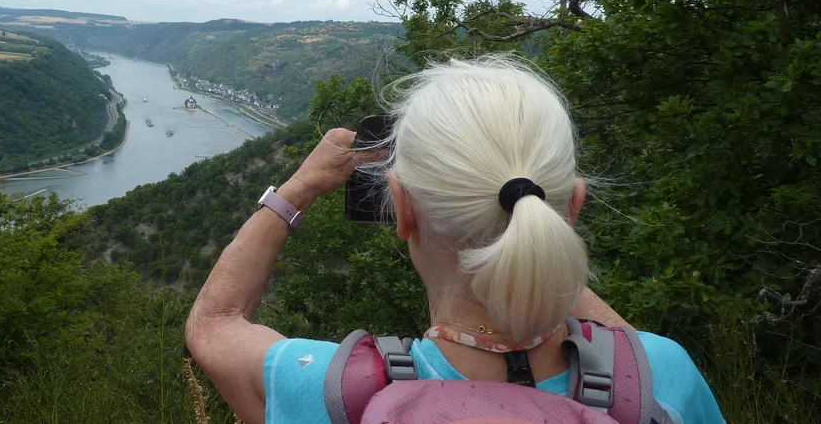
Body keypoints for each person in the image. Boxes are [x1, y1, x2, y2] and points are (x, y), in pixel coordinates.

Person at [185, 56, 724, 424]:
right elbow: (627, 349)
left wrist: (300, 188)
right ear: (572, 209)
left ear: (402, 209)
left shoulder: (329, 392)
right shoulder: (659, 375)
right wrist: (532, 233)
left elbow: (214, 324)